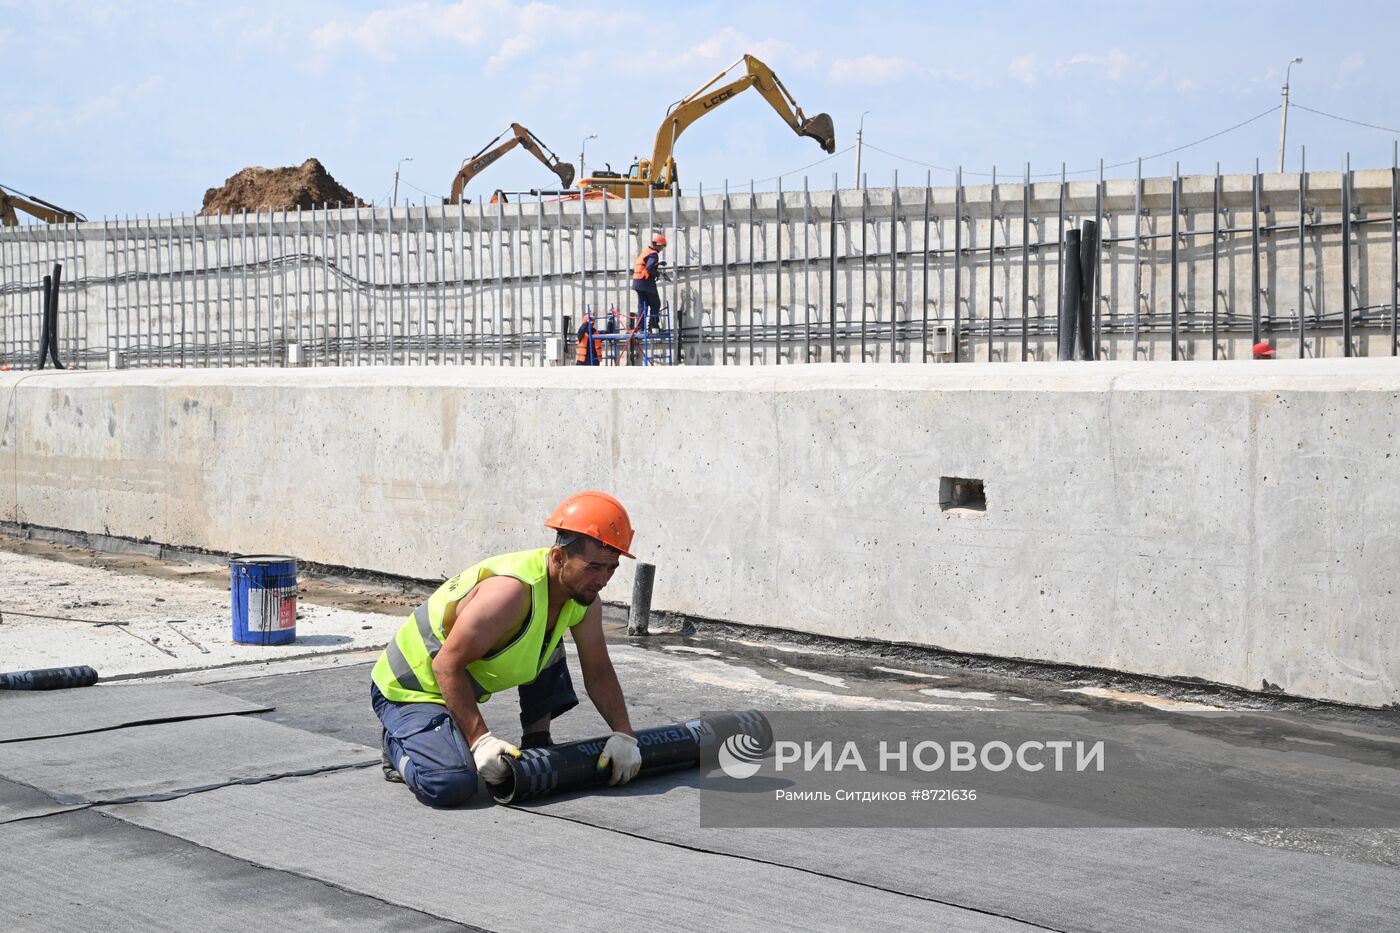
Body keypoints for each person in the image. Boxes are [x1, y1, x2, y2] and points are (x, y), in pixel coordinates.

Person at [370, 491, 643, 806]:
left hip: (457, 679)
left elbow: (598, 670)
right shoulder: (510, 594)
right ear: (558, 557)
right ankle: (397, 745)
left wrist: (624, 733)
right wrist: (481, 741)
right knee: (450, 783)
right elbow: (446, 666)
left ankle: (537, 739)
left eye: (611, 568)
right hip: (408, 689)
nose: (603, 579)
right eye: (594, 566)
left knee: (545, 639)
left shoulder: (582, 596)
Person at [630, 233, 666, 333]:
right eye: (662, 246)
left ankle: (640, 328)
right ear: (658, 245)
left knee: (643, 305)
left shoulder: (646, 251)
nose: (662, 249)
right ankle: (653, 327)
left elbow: (645, 265)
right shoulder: (654, 254)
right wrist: (657, 274)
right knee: (655, 304)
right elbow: (649, 267)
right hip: (645, 283)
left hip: (637, 282)